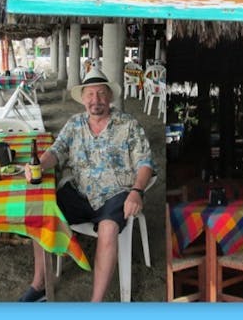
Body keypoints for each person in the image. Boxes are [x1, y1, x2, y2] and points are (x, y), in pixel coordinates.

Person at [18, 68, 155, 302]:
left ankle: (95, 304)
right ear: (83, 99)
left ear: (110, 97)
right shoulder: (74, 124)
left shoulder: (128, 125)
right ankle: (39, 283)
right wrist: (39, 164)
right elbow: (57, 151)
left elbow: (145, 163)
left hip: (116, 193)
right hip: (80, 192)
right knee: (40, 212)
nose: (96, 100)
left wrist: (137, 191)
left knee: (109, 228)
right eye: (90, 95)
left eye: (101, 94)